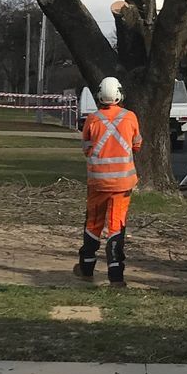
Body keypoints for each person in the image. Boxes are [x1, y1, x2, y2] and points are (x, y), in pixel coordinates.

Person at [76, 76, 140, 286]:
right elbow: (137, 144)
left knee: (93, 223)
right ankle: (116, 276)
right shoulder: (130, 117)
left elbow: (86, 148)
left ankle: (86, 267)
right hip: (122, 185)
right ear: (120, 94)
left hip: (98, 183)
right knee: (116, 225)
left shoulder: (92, 120)